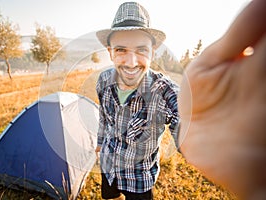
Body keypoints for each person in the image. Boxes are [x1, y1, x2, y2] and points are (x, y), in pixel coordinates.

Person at [178, 0, 266, 199]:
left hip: (143, 176)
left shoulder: (161, 86)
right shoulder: (105, 82)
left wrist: (189, 125)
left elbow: (172, 114)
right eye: (121, 49)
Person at [95, 2, 179, 199]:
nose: (131, 63)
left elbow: (185, 115)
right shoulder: (104, 80)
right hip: (108, 167)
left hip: (139, 179)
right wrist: (100, 143)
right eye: (121, 50)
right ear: (110, 52)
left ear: (153, 51)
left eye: (141, 50)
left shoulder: (163, 91)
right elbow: (104, 117)